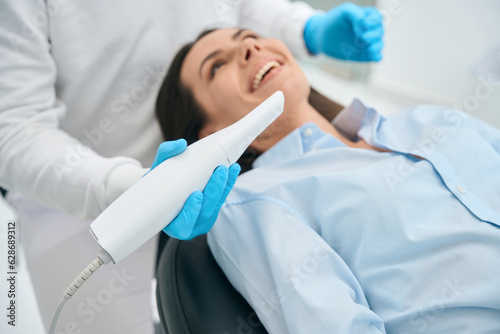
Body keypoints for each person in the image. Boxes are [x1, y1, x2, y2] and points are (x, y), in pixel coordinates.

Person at [0, 1, 384, 333]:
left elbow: (236, 11)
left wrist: (304, 27)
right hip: (72, 193)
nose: (251, 48)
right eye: (217, 66)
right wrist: (123, 186)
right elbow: (14, 129)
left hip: (212, 169)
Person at [155, 28, 500, 333]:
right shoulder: (253, 201)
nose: (250, 48)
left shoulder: (428, 119)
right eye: (217, 66)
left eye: (251, 36)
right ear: (209, 133)